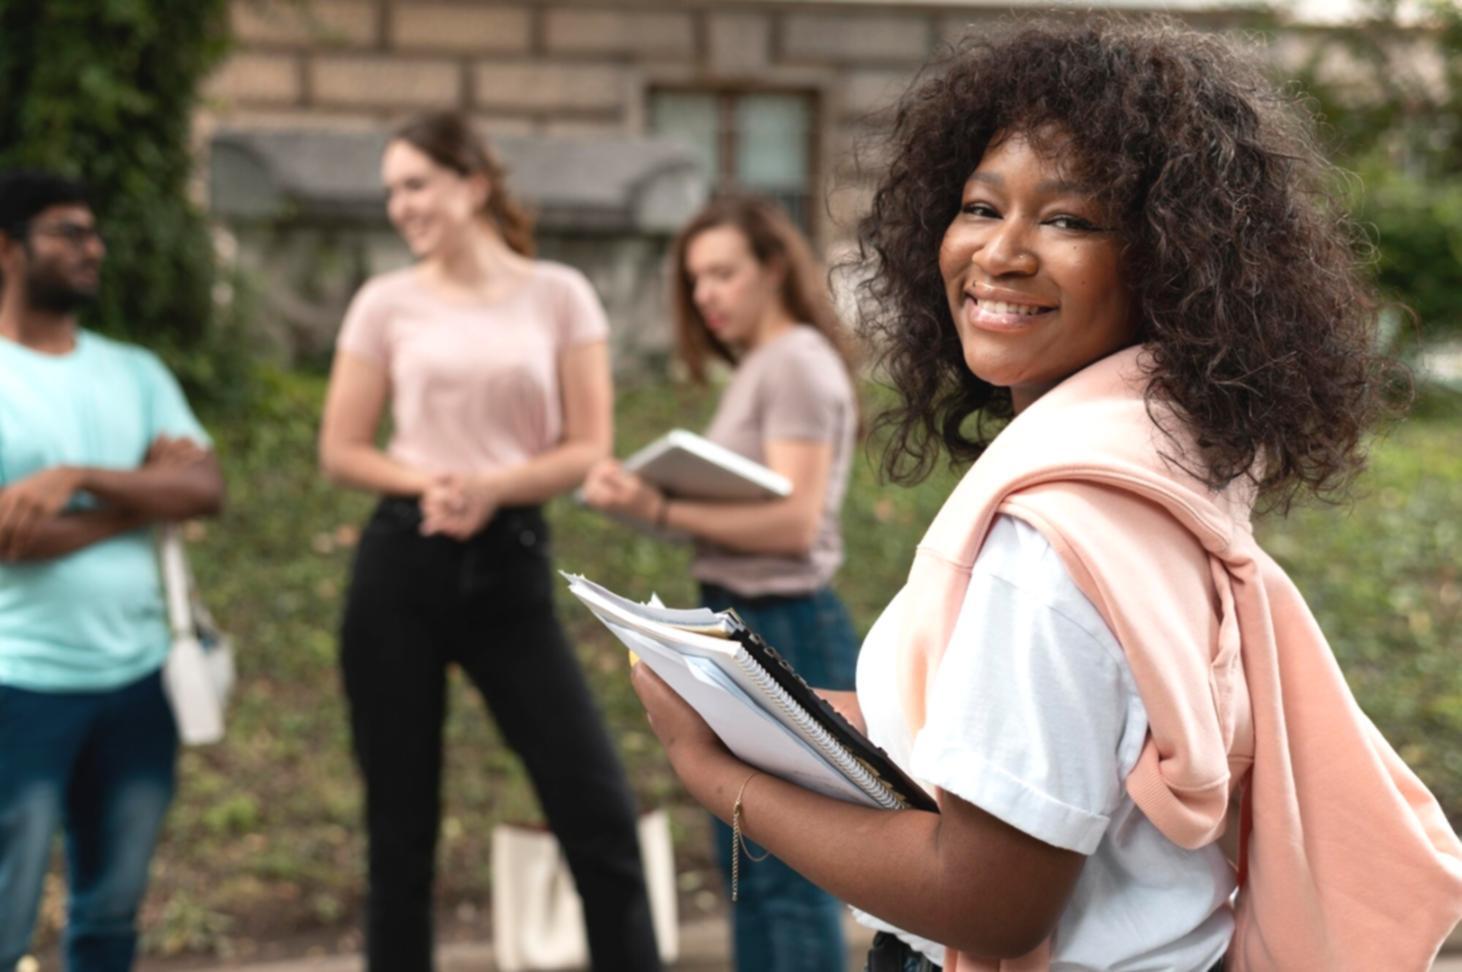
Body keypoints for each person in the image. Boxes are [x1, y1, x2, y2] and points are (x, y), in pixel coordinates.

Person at [623, 18, 1462, 972]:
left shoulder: (1051, 534)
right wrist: (790, 711)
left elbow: (986, 900)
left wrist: (717, 774)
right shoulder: (1164, 463)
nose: (1001, 254)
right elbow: (1050, 743)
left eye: (1068, 220)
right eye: (982, 207)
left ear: (1171, 261)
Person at [318, 112, 660, 972]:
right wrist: (429, 483)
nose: (401, 206)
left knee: (598, 814)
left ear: (472, 184)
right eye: (391, 189)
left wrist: (494, 489)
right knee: (400, 833)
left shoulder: (559, 294)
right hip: (403, 562)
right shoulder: (384, 302)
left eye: (416, 184)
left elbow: (587, 444)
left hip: (510, 565)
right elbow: (342, 448)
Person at [582, 195, 861, 972]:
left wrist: (660, 506)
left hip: (788, 625)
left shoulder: (797, 362)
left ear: (774, 267)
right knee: (750, 868)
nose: (706, 294)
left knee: (790, 871)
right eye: (695, 278)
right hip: (744, 620)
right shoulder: (765, 366)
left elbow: (796, 524)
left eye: (724, 272)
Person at [0, 171, 225, 971]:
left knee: (111, 913)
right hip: (18, 684)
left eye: (93, 232)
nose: (90, 247)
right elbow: (7, 537)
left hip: (138, 682)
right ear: (7, 249)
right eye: (67, 232)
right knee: (5, 914)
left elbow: (204, 487)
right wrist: (139, 494)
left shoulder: (135, 371)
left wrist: (74, 478)